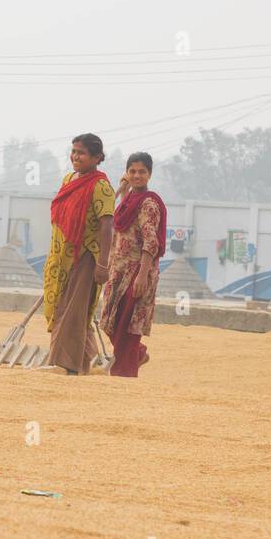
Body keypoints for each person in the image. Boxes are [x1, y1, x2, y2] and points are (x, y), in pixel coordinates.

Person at [41, 133, 115, 375]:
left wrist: (103, 264)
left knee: (71, 311)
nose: (75, 156)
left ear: (97, 157)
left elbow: (106, 225)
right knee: (69, 309)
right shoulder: (69, 179)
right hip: (62, 257)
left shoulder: (101, 186)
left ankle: (63, 364)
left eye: (81, 153)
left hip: (85, 257)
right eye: (73, 151)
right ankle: (86, 361)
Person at [99, 152, 167, 379]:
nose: (137, 176)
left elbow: (151, 242)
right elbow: (122, 221)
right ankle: (138, 354)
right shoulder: (128, 201)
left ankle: (124, 375)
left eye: (142, 172)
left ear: (150, 174)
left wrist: (142, 276)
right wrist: (123, 191)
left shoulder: (148, 204)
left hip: (136, 272)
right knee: (111, 320)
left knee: (128, 325)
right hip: (117, 270)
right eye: (132, 171)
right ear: (127, 173)